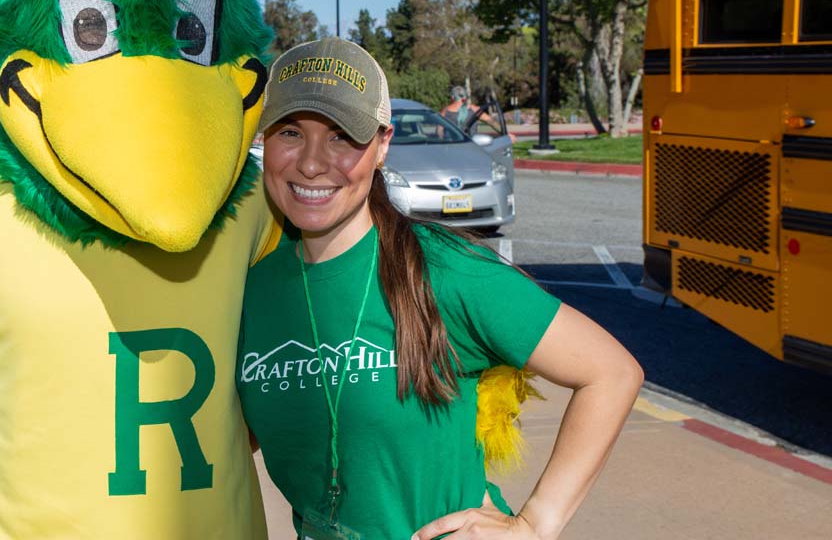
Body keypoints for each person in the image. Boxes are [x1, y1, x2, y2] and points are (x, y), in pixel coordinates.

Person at [238, 37, 643, 540]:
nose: (312, 163)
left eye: (342, 136)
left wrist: (535, 524)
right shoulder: (253, 291)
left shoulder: (444, 269)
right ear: (265, 139)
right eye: (291, 132)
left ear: (382, 145)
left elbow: (611, 373)